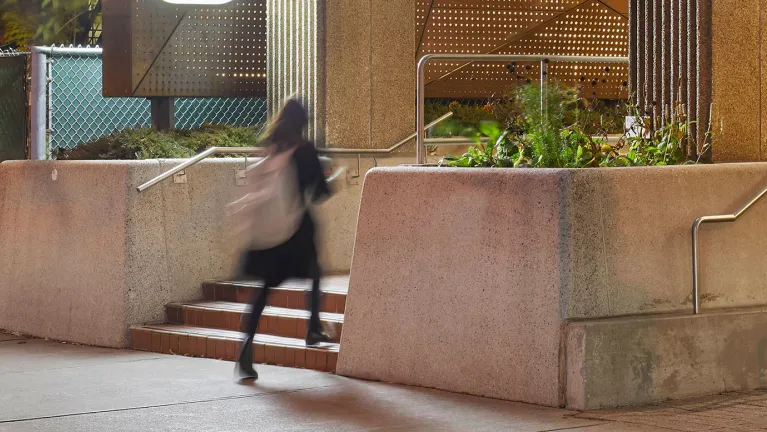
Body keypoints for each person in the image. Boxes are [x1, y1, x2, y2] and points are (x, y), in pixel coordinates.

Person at [233, 99, 334, 380]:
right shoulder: (305, 150)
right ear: (304, 122)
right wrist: (327, 173)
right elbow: (321, 193)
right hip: (298, 230)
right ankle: (313, 327)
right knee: (314, 273)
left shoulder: (270, 148)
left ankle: (246, 348)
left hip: (271, 236)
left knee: (264, 290)